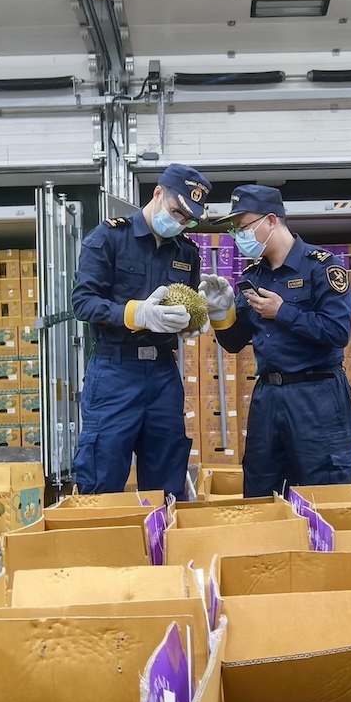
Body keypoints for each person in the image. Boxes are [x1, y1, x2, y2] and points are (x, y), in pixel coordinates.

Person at [199, 184, 351, 498]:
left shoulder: (322, 266)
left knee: (323, 491)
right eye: (235, 229)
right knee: (260, 488)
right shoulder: (254, 276)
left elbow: (338, 331)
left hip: (318, 397)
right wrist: (219, 312)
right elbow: (234, 342)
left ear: (271, 220)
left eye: (243, 226)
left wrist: (282, 312)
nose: (239, 235)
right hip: (268, 399)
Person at [68, 163, 213, 498]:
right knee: (103, 471)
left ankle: (161, 546)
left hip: (163, 372)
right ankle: (100, 548)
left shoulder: (187, 253)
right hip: (115, 370)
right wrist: (137, 314)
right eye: (176, 211)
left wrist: (195, 321)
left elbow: (186, 306)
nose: (179, 222)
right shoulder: (108, 237)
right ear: (158, 193)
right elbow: (83, 302)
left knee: (167, 478)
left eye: (187, 219)